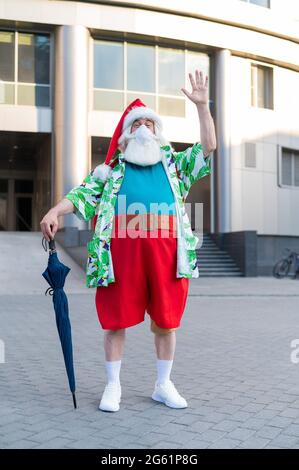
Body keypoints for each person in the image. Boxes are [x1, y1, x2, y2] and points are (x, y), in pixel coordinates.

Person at [40, 70, 217, 412]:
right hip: (120, 260)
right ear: (123, 139)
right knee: (115, 321)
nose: (143, 129)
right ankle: (113, 387)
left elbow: (208, 147)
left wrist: (202, 107)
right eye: (135, 125)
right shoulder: (109, 173)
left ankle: (163, 385)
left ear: (158, 134)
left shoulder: (175, 167)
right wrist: (55, 211)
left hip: (168, 259)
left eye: (149, 124)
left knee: (166, 323)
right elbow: (80, 196)